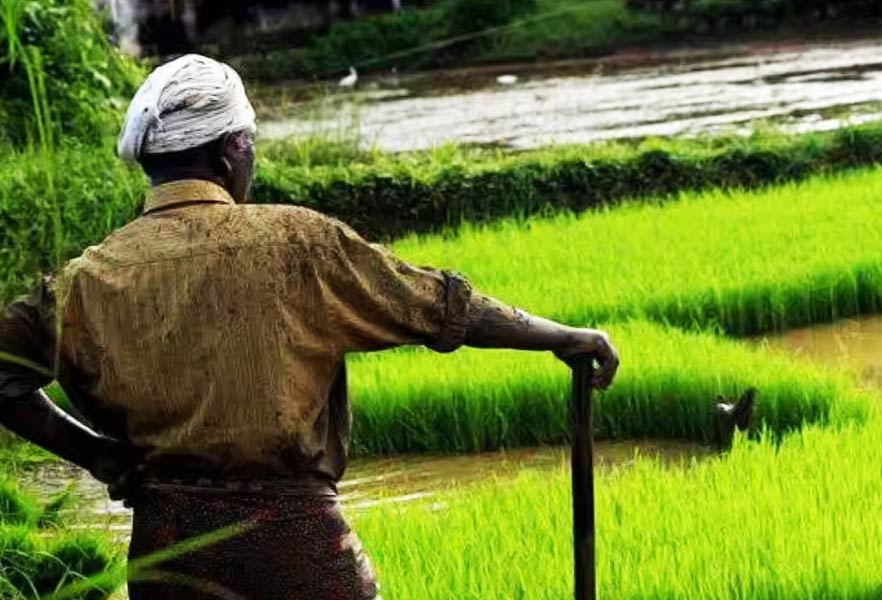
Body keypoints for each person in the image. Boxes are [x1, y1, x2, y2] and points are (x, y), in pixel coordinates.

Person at [0, 54, 619, 599]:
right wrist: (564, 337)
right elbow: (439, 305)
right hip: (294, 541)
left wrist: (95, 455)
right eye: (249, 141)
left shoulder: (87, 278)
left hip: (168, 550)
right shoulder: (297, 242)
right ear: (230, 152)